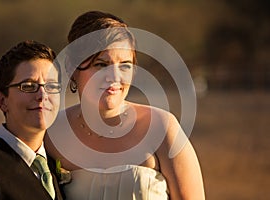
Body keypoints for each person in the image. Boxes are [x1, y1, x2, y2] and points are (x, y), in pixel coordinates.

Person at [45, 11, 205, 199]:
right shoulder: (51, 133)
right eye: (101, 65)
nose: (114, 77)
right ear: (72, 67)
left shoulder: (162, 128)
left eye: (125, 65)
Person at [0, 40, 63, 200]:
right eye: (28, 86)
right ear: (2, 101)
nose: (42, 96)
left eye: (51, 86)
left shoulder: (58, 163)